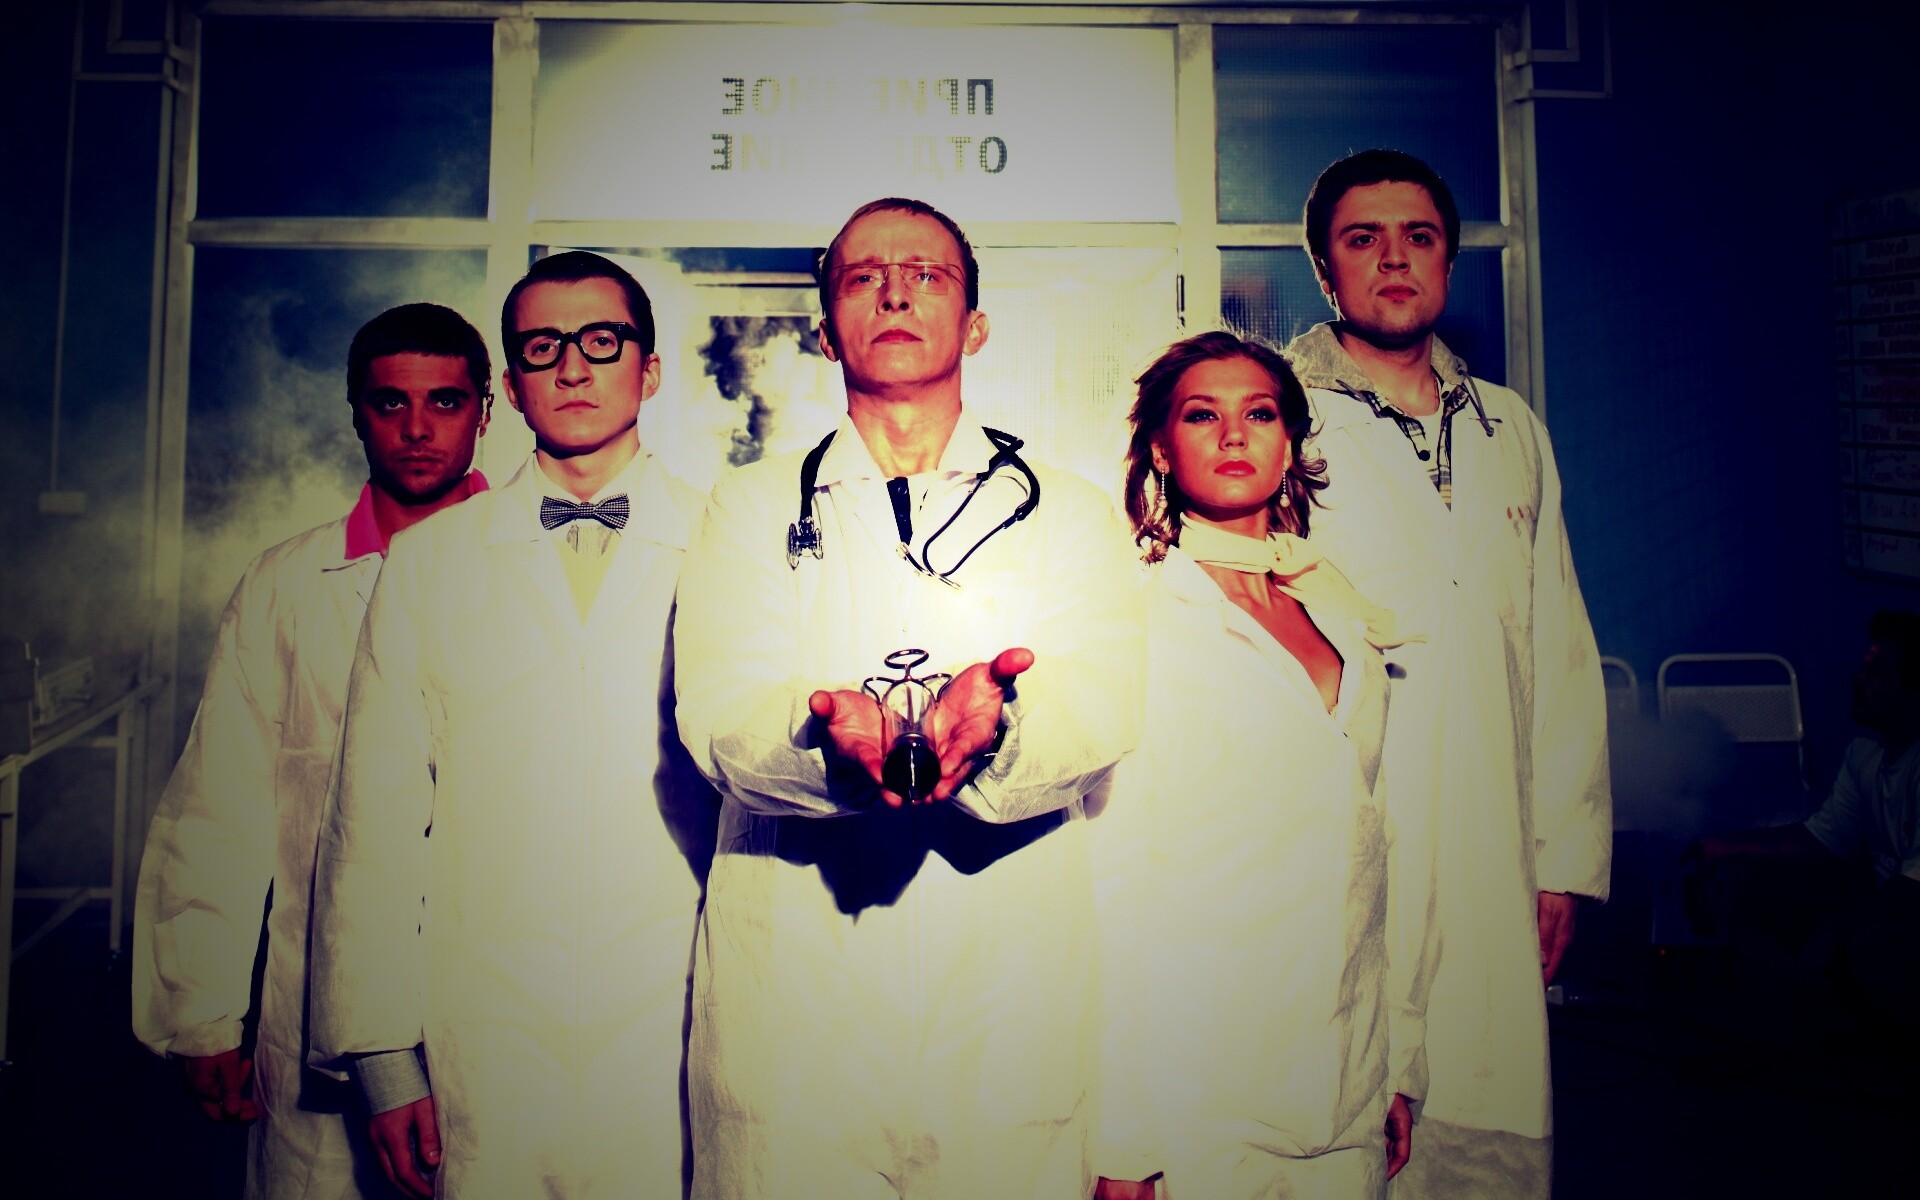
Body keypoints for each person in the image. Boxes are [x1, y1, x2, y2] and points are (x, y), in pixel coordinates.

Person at [672, 197, 1145, 1199]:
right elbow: (718, 717)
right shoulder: (750, 508)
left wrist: (1000, 732)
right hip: (795, 1000)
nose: (895, 293)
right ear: (824, 327)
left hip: (1007, 992)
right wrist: (828, 747)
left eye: (927, 275)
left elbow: (1104, 708)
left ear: (976, 324)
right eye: (864, 278)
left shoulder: (1066, 512)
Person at [307, 252, 716, 1199]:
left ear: (651, 370)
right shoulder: (428, 563)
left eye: (602, 341)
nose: (572, 368)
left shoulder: (728, 543)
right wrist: (383, 1058)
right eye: (542, 348)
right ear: (513, 384)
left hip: (682, 1013)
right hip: (484, 1024)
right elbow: (373, 821)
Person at [1283, 149, 1611, 1197]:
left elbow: (1556, 646)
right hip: (1342, 825)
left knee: (1483, 1103)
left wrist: (1563, 859)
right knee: (1338, 1110)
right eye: (1363, 239)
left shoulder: (1510, 427)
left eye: (1418, 237)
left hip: (1492, 833)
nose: (1394, 259)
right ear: (1325, 270)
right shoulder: (1278, 421)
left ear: (1449, 263)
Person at [132, 302, 493, 1200]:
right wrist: (203, 1011)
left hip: (497, 999)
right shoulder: (287, 584)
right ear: (355, 412)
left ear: (487, 411)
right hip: (315, 1003)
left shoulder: (537, 572)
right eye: (390, 402)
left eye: (446, 402)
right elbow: (221, 803)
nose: (417, 429)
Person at [1091, 331, 1437, 1200]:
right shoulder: (1139, 621)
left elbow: (1380, 850)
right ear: (1161, 449)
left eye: (1260, 414)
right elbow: (1113, 883)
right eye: (1201, 416)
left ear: (1290, 445)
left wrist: (1399, 1055)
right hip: (1201, 1091)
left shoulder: (1343, 615)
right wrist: (1124, 1133)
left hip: (1347, 1082)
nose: (1234, 435)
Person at [1689, 611, 1920, 1036]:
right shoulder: (1864, 753)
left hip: (1905, 918)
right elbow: (1824, 837)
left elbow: (1912, 891)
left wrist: (1834, 928)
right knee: (1748, 885)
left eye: (1877, 675)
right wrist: (1722, 846)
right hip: (1878, 903)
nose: (1859, 682)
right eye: (1863, 669)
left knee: (1869, 945)